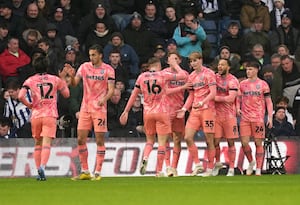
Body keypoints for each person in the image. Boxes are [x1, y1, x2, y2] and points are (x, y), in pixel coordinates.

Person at [119, 56, 188, 177]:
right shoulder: (163, 75)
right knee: (162, 143)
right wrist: (174, 64)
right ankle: (159, 171)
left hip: (147, 113)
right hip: (162, 112)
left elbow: (134, 95)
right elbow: (182, 75)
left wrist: (126, 111)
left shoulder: (141, 77)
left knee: (150, 141)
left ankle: (145, 157)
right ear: (157, 65)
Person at [63, 44, 115, 181]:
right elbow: (74, 84)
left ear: (100, 55)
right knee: (80, 139)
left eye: (94, 55)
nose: (91, 57)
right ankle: (85, 171)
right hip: (85, 108)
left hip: (99, 109)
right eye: (90, 55)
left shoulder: (108, 70)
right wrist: (72, 76)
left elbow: (111, 90)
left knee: (99, 140)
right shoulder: (84, 67)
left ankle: (97, 172)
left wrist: (104, 99)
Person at [18, 55, 70, 181]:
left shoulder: (30, 80)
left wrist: (29, 105)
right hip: (50, 114)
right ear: (47, 66)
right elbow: (67, 94)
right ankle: (42, 166)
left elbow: (20, 96)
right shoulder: (55, 79)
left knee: (37, 143)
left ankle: (38, 171)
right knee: (47, 143)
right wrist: (63, 78)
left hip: (36, 115)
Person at [176, 51, 216, 177]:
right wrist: (183, 109)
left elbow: (213, 93)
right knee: (187, 137)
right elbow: (191, 95)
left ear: (201, 60)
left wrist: (203, 102)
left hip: (208, 110)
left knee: (210, 140)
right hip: (195, 110)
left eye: (195, 60)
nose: (193, 63)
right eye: (191, 61)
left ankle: (209, 168)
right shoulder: (191, 76)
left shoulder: (209, 74)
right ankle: (198, 164)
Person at [237, 60, 273, 176]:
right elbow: (238, 98)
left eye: (251, 69)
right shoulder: (242, 84)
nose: (248, 71)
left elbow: (269, 102)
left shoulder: (263, 84)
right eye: (247, 69)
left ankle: (258, 168)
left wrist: (270, 118)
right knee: (244, 143)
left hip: (258, 118)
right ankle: (251, 161)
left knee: (258, 143)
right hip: (245, 118)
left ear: (257, 70)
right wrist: (237, 108)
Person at [162, 51, 189, 177]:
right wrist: (182, 88)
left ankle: (174, 167)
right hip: (166, 110)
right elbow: (166, 91)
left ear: (179, 61)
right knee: (165, 138)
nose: (173, 61)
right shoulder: (164, 74)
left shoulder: (185, 74)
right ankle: (167, 166)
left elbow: (192, 91)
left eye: (176, 59)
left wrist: (185, 108)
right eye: (171, 59)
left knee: (177, 139)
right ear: (167, 61)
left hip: (179, 110)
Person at [211, 58, 239, 177]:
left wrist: (214, 97)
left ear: (229, 67)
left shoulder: (233, 80)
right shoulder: (214, 78)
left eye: (223, 65)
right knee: (215, 141)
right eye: (219, 65)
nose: (220, 67)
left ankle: (231, 168)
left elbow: (230, 99)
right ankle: (217, 164)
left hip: (229, 116)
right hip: (216, 115)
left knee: (231, 142)